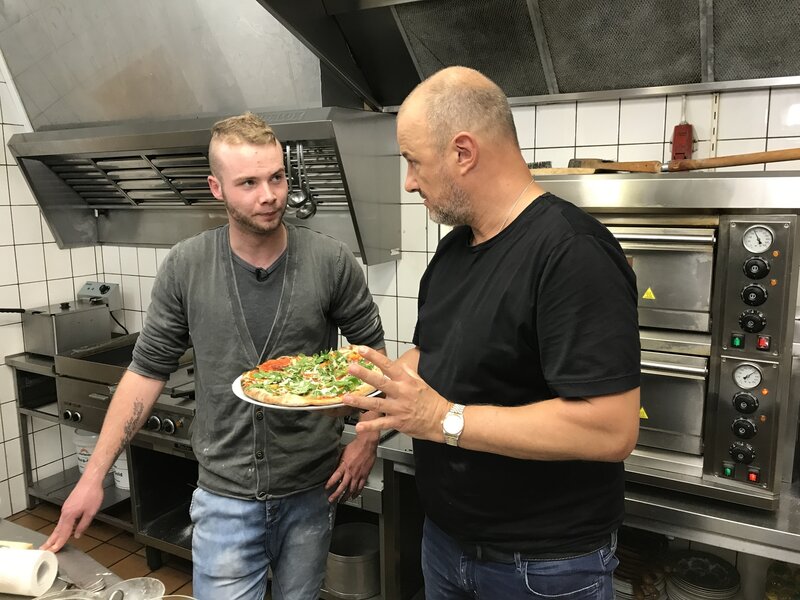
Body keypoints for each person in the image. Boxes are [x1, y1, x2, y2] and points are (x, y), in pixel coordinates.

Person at [42, 112, 386, 600]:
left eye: (277, 178)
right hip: (225, 497)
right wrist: (94, 476)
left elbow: (374, 354)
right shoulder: (187, 265)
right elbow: (146, 371)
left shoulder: (330, 261)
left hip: (311, 489)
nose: (269, 195)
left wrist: (367, 438)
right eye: (248, 183)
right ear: (216, 188)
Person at [343, 66, 641, 599]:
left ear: (463, 152)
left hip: (543, 567)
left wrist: (442, 419)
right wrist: (363, 387)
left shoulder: (572, 252)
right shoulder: (455, 248)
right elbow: (433, 352)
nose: (408, 181)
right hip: (446, 544)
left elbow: (611, 429)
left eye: (413, 161)